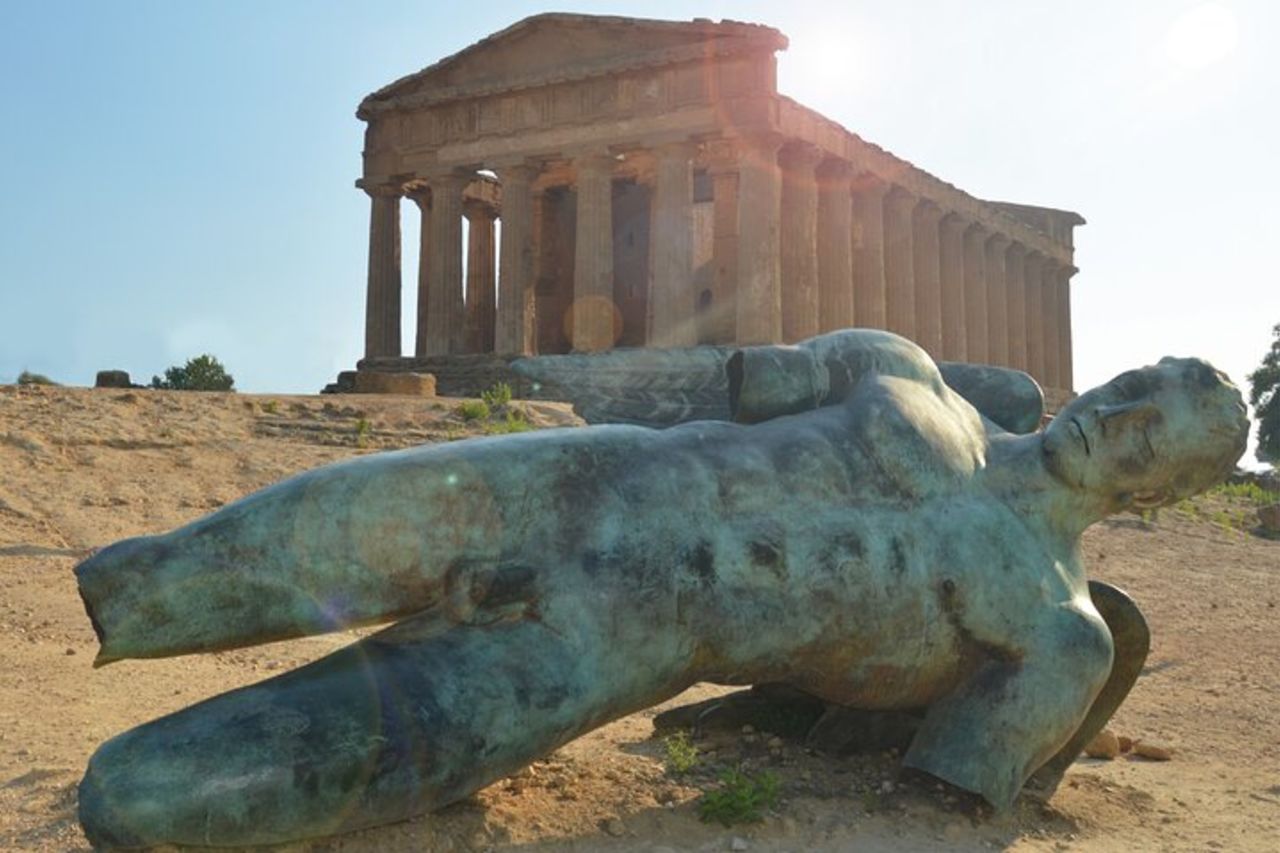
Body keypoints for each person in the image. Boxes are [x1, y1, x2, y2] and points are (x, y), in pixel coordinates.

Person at [75, 330, 1248, 848]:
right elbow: (721, 381)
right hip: (577, 481)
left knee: (141, 797)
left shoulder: (1060, 631)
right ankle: (124, 606)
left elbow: (943, 790)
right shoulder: (901, 368)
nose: (1119, 419)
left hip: (615, 639)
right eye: (1135, 387)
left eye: (1154, 439)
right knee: (181, 572)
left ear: (1161, 496)